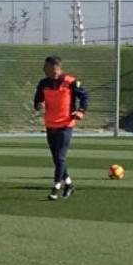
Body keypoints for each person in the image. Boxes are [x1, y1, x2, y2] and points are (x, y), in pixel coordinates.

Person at [33, 56, 87, 200]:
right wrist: (39, 105)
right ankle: (68, 184)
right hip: (50, 124)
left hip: (65, 124)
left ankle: (56, 188)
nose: (43, 69)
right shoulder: (43, 83)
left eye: (46, 67)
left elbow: (84, 96)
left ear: (55, 68)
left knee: (60, 156)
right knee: (57, 158)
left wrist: (81, 111)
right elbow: (37, 101)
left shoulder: (70, 82)